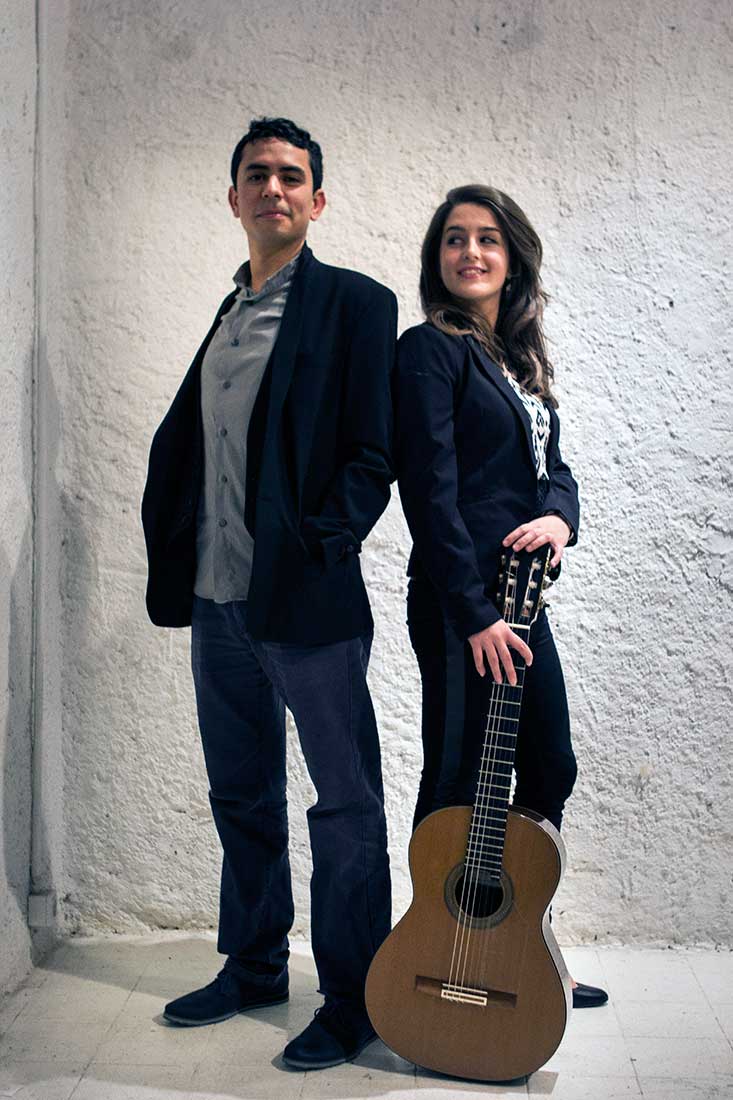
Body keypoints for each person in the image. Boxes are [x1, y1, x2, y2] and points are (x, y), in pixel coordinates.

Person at [141, 117, 396, 1068]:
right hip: (219, 604)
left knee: (344, 803)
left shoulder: (354, 304)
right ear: (235, 198)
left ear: (316, 200)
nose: (273, 189)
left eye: (292, 176)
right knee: (241, 792)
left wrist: (322, 545)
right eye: (257, 175)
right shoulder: (227, 315)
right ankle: (253, 964)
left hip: (306, 606)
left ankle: (354, 997)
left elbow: (372, 452)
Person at [394, 184, 607, 1009]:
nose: (469, 252)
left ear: (511, 259)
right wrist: (473, 612)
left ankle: (517, 943)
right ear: (437, 258)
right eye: (453, 239)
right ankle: (433, 953)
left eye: (486, 238)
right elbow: (429, 491)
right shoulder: (429, 350)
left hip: (522, 604)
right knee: (455, 779)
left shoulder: (521, 363)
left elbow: (558, 473)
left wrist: (559, 519)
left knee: (549, 764)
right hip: (462, 606)